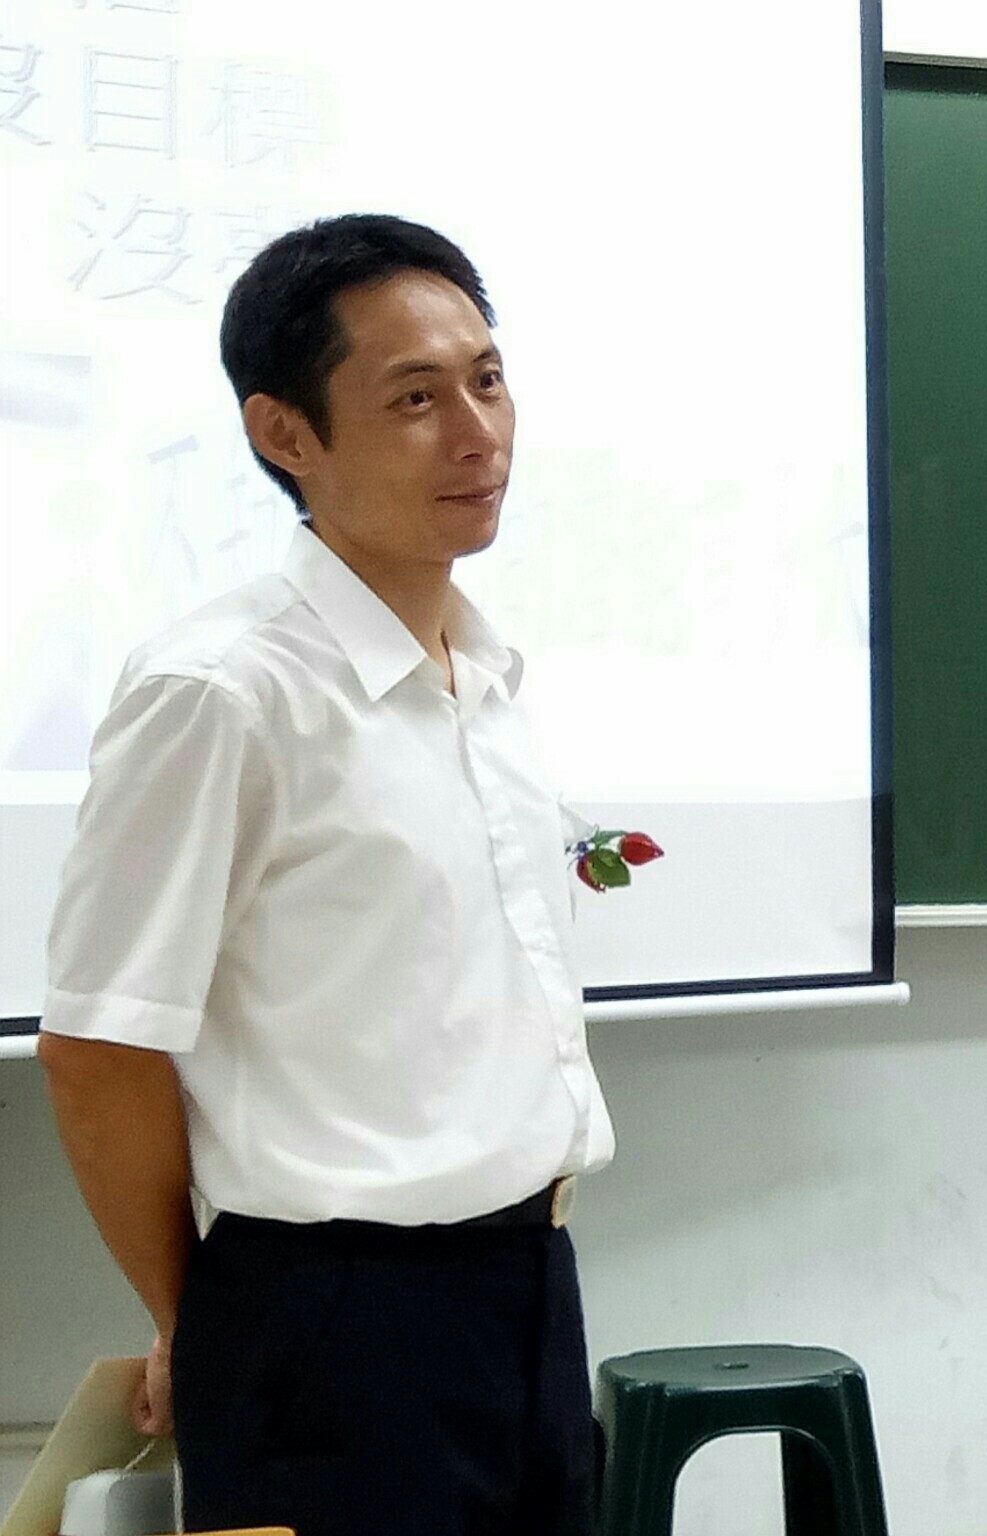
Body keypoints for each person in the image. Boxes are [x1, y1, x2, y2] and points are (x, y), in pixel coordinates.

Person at [38, 213, 613, 1536]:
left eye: (486, 379)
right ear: (284, 433)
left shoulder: (483, 671)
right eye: (415, 398)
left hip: (529, 1287)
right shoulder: (223, 690)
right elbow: (99, 1046)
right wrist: (200, 1316)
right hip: (325, 1328)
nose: (477, 432)